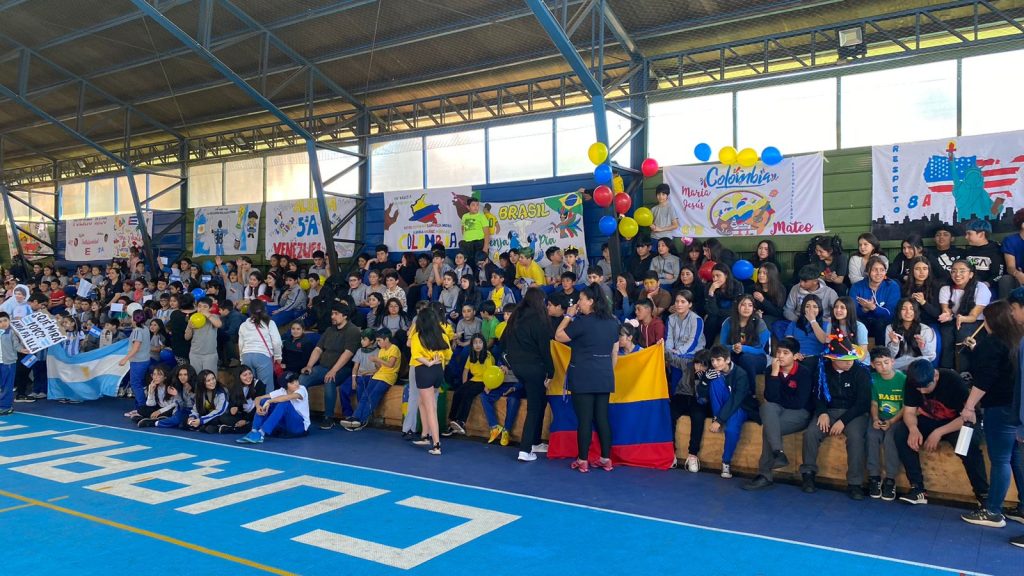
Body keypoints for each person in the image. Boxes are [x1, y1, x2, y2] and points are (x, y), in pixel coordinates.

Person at [959, 298, 1024, 528]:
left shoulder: (992, 343)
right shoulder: (1017, 340)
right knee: (1015, 456)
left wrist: (969, 406)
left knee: (1000, 460)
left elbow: (984, 379)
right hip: (1016, 406)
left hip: (999, 407)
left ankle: (993, 511)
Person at [894, 360, 989, 506]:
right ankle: (917, 488)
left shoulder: (952, 380)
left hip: (957, 422)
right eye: (919, 388)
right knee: (902, 432)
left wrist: (938, 432)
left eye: (926, 387)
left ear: (935, 376)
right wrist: (913, 429)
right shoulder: (912, 380)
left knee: (968, 445)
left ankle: (982, 494)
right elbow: (909, 412)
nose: (922, 392)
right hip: (931, 420)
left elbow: (970, 418)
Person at [555, 283, 620, 473]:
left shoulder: (582, 322)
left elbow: (559, 336)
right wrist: (607, 371)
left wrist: (568, 316)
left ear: (591, 301)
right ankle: (606, 459)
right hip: (604, 375)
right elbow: (614, 352)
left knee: (584, 419)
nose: (578, 303)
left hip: (583, 375)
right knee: (602, 418)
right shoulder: (613, 322)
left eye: (581, 299)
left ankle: (582, 460)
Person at [800, 340, 871, 499]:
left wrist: (843, 421)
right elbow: (817, 394)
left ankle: (855, 483)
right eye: (845, 360)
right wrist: (822, 412)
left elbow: (863, 403)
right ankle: (808, 474)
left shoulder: (861, 372)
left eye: (851, 359)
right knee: (811, 433)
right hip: (829, 410)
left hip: (853, 413)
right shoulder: (822, 370)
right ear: (833, 359)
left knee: (856, 438)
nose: (849, 362)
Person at [743, 337, 814, 490]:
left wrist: (779, 400)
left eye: (785, 353)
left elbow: (799, 402)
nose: (780, 356)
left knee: (769, 427)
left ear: (795, 356)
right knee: (767, 408)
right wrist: (775, 374)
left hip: (800, 414)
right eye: (778, 352)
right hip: (777, 411)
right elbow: (769, 397)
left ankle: (765, 474)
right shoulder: (771, 370)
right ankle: (778, 453)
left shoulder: (804, 372)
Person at [502, 287, 554, 462]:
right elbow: (545, 349)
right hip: (535, 368)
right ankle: (525, 449)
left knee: (540, 402)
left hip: (518, 368)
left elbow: (502, 342)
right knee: (534, 407)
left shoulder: (515, 317)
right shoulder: (540, 319)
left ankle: (535, 441)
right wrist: (551, 371)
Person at [301, 302, 361, 429]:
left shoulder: (353, 330)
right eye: (332, 314)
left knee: (329, 379)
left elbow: (348, 353)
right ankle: (302, 413)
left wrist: (333, 370)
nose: (332, 316)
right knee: (303, 378)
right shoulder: (329, 330)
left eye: (336, 314)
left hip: (343, 369)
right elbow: (318, 349)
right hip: (323, 366)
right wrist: (309, 366)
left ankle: (329, 417)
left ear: (345, 316)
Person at [704, 344, 757, 479]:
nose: (715, 363)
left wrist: (720, 420)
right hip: (723, 407)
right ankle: (717, 417)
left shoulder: (741, 374)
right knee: (714, 381)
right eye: (713, 360)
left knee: (731, 429)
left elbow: (736, 400)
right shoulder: (713, 372)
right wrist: (705, 380)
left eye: (718, 360)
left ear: (727, 360)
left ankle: (726, 462)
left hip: (741, 406)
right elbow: (702, 394)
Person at [408, 305, 451, 455]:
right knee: (423, 402)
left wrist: (428, 362)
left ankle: (436, 444)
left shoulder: (417, 336)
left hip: (424, 371)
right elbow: (448, 354)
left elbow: (416, 355)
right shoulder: (442, 335)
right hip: (438, 370)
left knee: (430, 407)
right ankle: (425, 435)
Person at [341, 328, 401, 431]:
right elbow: (379, 367)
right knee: (365, 395)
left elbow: (390, 365)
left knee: (373, 396)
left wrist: (377, 359)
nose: (378, 343)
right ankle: (355, 417)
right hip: (378, 375)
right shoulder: (381, 350)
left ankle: (362, 420)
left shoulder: (394, 348)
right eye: (377, 341)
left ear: (386, 339)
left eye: (379, 341)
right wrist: (375, 363)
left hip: (388, 377)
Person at [866, 347, 905, 501]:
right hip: (880, 417)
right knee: (871, 435)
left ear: (892, 362)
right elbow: (874, 402)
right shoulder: (873, 379)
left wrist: (891, 421)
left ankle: (890, 479)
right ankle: (874, 477)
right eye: (879, 363)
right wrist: (875, 419)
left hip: (897, 419)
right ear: (872, 365)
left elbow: (905, 407)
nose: (883, 366)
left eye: (886, 362)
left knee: (890, 439)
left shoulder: (902, 379)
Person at [938, 259, 989, 372]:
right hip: (955, 320)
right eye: (954, 271)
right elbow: (946, 311)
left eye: (962, 271)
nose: (957, 274)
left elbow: (973, 316)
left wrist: (961, 318)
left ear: (970, 274)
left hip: (975, 322)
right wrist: (947, 315)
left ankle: (964, 371)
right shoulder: (945, 289)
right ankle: (946, 370)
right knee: (946, 334)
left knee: (963, 334)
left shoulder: (981, 288)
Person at [237, 372, 310, 443]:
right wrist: (258, 406)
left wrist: (269, 401)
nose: (296, 384)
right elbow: (259, 398)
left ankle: (261, 433)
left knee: (284, 403)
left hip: (300, 427)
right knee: (264, 401)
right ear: (285, 386)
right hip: (286, 425)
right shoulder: (282, 391)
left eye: (296, 381)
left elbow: (287, 397)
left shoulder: (302, 389)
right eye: (292, 383)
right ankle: (254, 431)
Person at [719, 294, 769, 394]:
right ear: (737, 306)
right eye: (743, 305)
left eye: (750, 305)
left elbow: (761, 349)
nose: (747, 308)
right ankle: (726, 392)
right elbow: (722, 346)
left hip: (757, 358)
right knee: (727, 360)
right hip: (735, 354)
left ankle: (751, 393)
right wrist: (733, 348)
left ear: (753, 308)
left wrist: (743, 348)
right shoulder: (728, 322)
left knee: (745, 359)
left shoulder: (759, 323)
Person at [444, 333, 492, 437]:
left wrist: (487, 386)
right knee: (458, 393)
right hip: (473, 380)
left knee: (468, 394)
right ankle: (452, 421)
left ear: (483, 344)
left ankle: (461, 422)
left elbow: (489, 372)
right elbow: (465, 371)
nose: (478, 345)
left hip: (483, 381)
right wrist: (464, 385)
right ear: (472, 345)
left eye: (480, 342)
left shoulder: (487, 355)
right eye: (475, 343)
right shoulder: (471, 355)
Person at [849, 255, 900, 344]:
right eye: (874, 270)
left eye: (882, 270)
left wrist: (873, 308)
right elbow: (851, 311)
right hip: (863, 321)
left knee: (880, 323)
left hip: (883, 323)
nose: (878, 273)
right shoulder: (857, 287)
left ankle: (880, 351)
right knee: (857, 324)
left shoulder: (892, 286)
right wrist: (864, 310)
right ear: (868, 271)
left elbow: (891, 313)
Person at [237, 300, 283, 387]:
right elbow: (277, 342)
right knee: (265, 387)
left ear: (249, 310)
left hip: (246, 356)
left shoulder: (243, 325)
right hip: (263, 357)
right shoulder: (269, 323)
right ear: (264, 309)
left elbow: (241, 344)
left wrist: (242, 359)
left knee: (250, 387)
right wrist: (278, 356)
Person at [885, 298, 937, 370]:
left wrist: (923, 347)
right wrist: (895, 344)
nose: (908, 312)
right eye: (904, 309)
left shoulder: (925, 330)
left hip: (917, 365)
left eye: (912, 309)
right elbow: (889, 356)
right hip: (898, 364)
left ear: (916, 311)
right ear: (899, 311)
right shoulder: (890, 328)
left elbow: (930, 357)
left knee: (924, 361)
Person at [119, 310, 151, 419]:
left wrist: (125, 359)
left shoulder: (137, 331)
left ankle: (141, 409)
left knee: (135, 385)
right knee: (139, 384)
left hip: (138, 361)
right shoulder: (145, 329)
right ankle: (138, 408)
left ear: (134, 319)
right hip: (144, 360)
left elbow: (136, 347)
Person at [704, 263, 745, 345]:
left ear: (726, 275)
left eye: (718, 275)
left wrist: (717, 312)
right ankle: (707, 347)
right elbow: (711, 310)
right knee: (711, 320)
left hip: (731, 315)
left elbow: (736, 309)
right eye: (713, 276)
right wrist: (711, 292)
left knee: (724, 321)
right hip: (715, 316)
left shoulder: (737, 286)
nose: (715, 279)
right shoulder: (710, 287)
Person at [784, 294, 825, 368]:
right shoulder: (794, 324)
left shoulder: (826, 324)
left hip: (816, 358)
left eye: (815, 307)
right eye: (807, 306)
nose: (811, 310)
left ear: (819, 309)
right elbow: (789, 343)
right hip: (797, 358)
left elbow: (823, 340)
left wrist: (813, 321)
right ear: (803, 308)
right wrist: (795, 353)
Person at [963, 219, 1004, 289]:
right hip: (968, 287)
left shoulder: (996, 250)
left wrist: (986, 284)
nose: (966, 237)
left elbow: (999, 274)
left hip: (988, 288)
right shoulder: (968, 251)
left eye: (969, 234)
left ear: (981, 234)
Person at [185, 296, 222, 373]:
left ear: (210, 308)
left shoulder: (213, 317)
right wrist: (189, 327)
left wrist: (207, 314)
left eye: (205, 307)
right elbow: (187, 337)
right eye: (199, 306)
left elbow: (218, 324)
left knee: (210, 376)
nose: (201, 309)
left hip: (210, 354)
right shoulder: (193, 318)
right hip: (195, 354)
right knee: (196, 376)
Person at [903, 256, 942, 326]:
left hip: (931, 323)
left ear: (929, 270)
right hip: (911, 323)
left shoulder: (935, 286)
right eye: (917, 269)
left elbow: (936, 313)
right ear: (912, 271)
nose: (921, 272)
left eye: (925, 269)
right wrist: (910, 301)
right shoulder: (906, 287)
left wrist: (923, 302)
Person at [752, 262, 786, 335]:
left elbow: (778, 312)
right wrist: (756, 311)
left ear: (772, 275)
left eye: (765, 273)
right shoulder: (755, 288)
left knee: (763, 322)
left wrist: (763, 300)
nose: (761, 275)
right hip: (758, 315)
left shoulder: (780, 289)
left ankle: (765, 342)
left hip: (774, 316)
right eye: (759, 272)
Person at [999, 210, 1024, 298]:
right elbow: (1010, 267)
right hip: (1018, 277)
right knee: (1006, 280)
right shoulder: (1010, 240)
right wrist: (1018, 274)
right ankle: (1005, 307)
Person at [461, 198, 490, 270]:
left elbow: (487, 233)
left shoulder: (481, 216)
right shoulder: (464, 216)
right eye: (473, 205)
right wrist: (466, 238)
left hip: (479, 244)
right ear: (468, 207)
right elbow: (463, 228)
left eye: (477, 205)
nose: (476, 207)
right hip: (467, 244)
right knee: (469, 264)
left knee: (480, 265)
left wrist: (485, 247)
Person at [0, 312, 17, 415]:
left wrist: (22, 349)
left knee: (7, 385)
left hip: (8, 363)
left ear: (9, 320)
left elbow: (16, 345)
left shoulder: (12, 332)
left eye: (5, 320)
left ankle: (6, 407)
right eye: (0, 322)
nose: (3, 323)